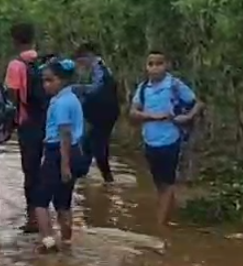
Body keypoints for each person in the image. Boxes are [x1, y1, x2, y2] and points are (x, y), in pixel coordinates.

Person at [129, 50, 204, 226]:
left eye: (159, 63)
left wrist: (187, 117)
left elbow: (198, 103)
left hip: (171, 140)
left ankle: (161, 226)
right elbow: (133, 112)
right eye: (151, 64)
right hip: (150, 141)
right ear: (146, 67)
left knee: (168, 183)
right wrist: (153, 117)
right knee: (160, 184)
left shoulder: (174, 85)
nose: (154, 68)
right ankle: (168, 215)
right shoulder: (142, 89)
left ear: (167, 65)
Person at [34, 58, 88, 249]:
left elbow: (64, 133)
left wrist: (64, 165)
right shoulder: (71, 98)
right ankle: (66, 241)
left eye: (50, 80)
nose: (45, 85)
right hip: (72, 151)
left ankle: (48, 242)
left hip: (57, 152)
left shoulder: (62, 103)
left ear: (62, 80)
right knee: (63, 202)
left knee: (39, 200)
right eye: (44, 81)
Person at [4, 22, 48, 233]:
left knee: (30, 171)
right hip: (48, 122)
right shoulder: (42, 61)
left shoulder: (16, 65)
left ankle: (33, 218)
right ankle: (46, 213)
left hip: (27, 123)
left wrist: (7, 126)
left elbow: (12, 98)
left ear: (14, 40)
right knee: (45, 169)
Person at [72, 41, 120, 183]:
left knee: (98, 148)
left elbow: (97, 89)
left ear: (88, 56)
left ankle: (108, 181)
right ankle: (81, 178)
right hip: (100, 114)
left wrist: (77, 89)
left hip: (103, 115)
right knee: (87, 145)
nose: (81, 65)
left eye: (81, 61)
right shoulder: (100, 68)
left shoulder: (98, 68)